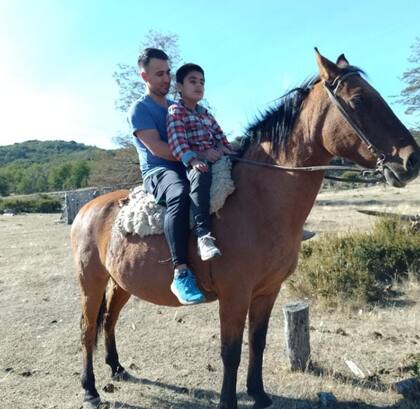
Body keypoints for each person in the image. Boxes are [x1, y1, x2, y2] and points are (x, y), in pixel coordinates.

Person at [128, 49, 220, 305]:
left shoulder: (177, 107)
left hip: (187, 162)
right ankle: (180, 272)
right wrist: (200, 153)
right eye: (159, 74)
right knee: (178, 194)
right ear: (144, 76)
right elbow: (157, 149)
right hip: (160, 170)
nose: (166, 79)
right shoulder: (139, 109)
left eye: (168, 72)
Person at [167, 63, 235, 262]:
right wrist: (196, 159)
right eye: (193, 81)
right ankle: (203, 235)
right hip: (193, 162)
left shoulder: (205, 113)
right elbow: (177, 143)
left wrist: (226, 149)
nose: (199, 86)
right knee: (201, 175)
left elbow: (221, 137)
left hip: (217, 157)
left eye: (202, 82)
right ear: (179, 86)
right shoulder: (175, 111)